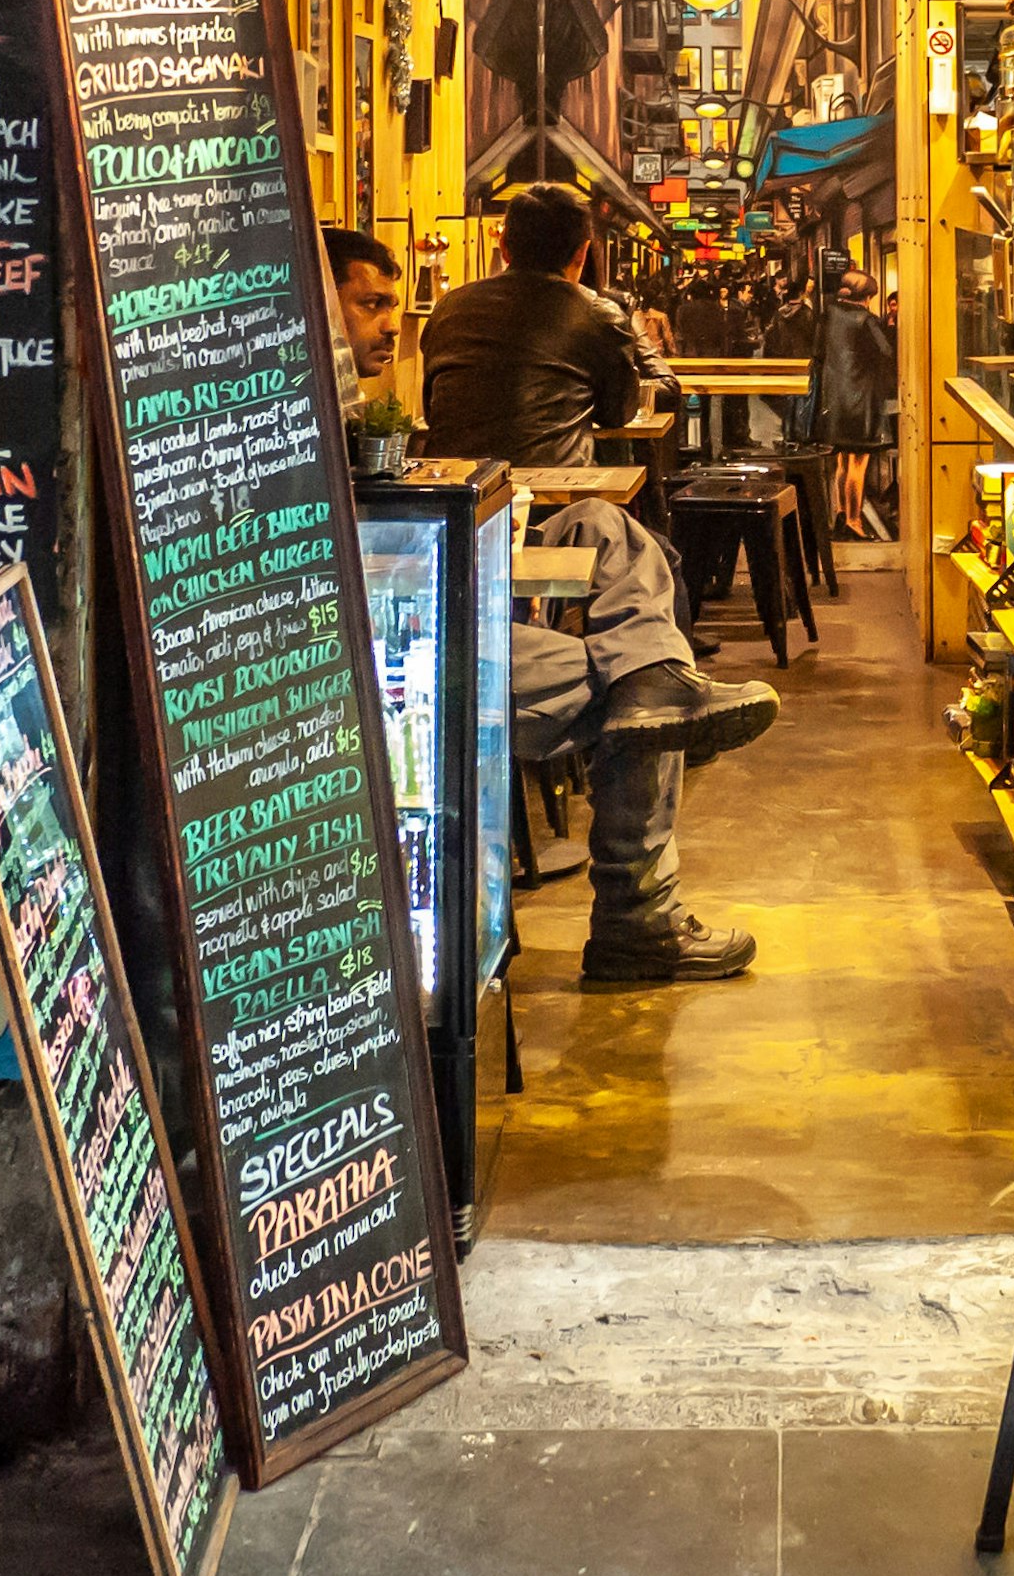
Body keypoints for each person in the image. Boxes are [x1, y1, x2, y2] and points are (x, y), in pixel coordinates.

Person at [336, 222, 772, 984]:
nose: (389, 323)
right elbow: (625, 403)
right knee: (634, 689)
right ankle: (637, 919)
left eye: (392, 305)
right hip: (396, 658)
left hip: (451, 582)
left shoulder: (408, 352)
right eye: (370, 305)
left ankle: (655, 678)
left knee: (608, 528)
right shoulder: (281, 416)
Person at [418, 183, 655, 469]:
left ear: (504, 246)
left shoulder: (449, 307)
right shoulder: (599, 314)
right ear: (582, 253)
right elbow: (617, 413)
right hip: (557, 496)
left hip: (456, 493)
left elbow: (432, 411)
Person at [813, 262, 899, 540]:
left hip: (834, 399)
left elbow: (818, 351)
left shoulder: (829, 314)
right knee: (858, 464)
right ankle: (854, 521)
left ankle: (840, 513)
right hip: (860, 399)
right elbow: (886, 352)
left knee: (841, 462)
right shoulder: (866, 319)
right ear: (866, 295)